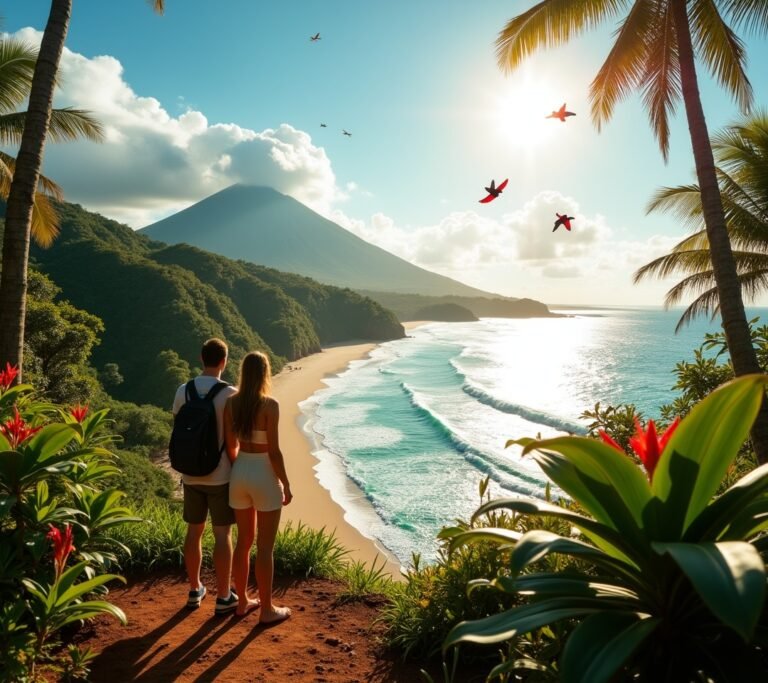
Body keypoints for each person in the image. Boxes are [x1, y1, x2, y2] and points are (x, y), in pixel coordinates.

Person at [224, 351, 293, 622]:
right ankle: (266, 609)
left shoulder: (231, 403)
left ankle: (242, 603)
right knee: (265, 548)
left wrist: (242, 468)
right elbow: (274, 452)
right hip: (264, 473)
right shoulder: (270, 405)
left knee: (243, 543)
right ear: (265, 373)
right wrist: (285, 484)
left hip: (239, 471)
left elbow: (231, 445)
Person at [172, 338, 238, 614]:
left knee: (194, 531)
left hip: (190, 473)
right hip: (220, 474)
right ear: (224, 361)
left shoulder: (183, 390)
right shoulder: (230, 394)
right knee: (222, 534)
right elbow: (233, 440)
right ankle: (224, 596)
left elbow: (178, 428)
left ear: (202, 358)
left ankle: (194, 589)